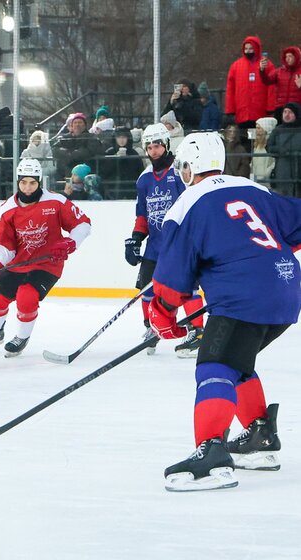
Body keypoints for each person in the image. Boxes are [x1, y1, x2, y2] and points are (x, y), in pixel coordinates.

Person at [148, 132, 301, 492]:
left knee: (214, 366)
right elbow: (290, 226)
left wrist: (162, 313)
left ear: (188, 169)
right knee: (236, 360)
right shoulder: (253, 189)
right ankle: (259, 436)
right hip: (287, 287)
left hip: (241, 296)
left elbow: (172, 278)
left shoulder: (187, 204)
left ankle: (211, 452)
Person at [0, 159, 91, 356]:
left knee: (27, 297)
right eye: (23, 182)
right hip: (18, 263)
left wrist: (70, 243)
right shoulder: (7, 210)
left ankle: (22, 336)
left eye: (32, 183)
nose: (27, 188)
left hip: (48, 264)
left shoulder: (56, 201)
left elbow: (83, 224)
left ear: (39, 182)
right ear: (17, 182)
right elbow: (4, 245)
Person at [124, 124, 205, 358]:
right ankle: (151, 329)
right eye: (149, 146)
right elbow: (143, 214)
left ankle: (196, 331)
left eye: (158, 145)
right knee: (146, 290)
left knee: (187, 288)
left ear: (167, 145)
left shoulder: (180, 171)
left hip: (180, 245)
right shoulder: (144, 179)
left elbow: (192, 205)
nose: (154, 150)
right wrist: (136, 239)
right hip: (155, 246)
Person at [225, 36, 275, 130]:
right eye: (246, 48)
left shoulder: (267, 65)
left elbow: (271, 88)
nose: (248, 51)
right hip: (242, 112)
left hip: (261, 112)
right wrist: (230, 111)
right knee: (244, 139)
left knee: (260, 139)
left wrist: (270, 108)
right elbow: (230, 90)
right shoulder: (236, 66)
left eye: (251, 48)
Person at [50, 112, 105, 182]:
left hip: (85, 174)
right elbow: (55, 149)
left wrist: (73, 155)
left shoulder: (91, 137)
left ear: (85, 125)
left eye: (80, 122)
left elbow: (90, 151)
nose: (77, 125)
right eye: (75, 123)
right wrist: (67, 153)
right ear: (72, 125)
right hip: (65, 174)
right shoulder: (65, 138)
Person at [267, 102, 301, 197]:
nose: (287, 115)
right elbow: (269, 147)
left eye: (290, 112)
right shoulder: (277, 130)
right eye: (285, 112)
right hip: (283, 171)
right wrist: (280, 150)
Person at [259, 46, 301, 117]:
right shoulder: (279, 71)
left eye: (290, 56)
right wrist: (262, 70)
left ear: (296, 57)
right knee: (280, 127)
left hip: (296, 108)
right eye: (286, 56)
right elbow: (267, 81)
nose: (287, 59)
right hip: (281, 108)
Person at [102, 127, 144, 197]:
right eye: (118, 137)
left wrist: (127, 158)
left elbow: (139, 171)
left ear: (128, 138)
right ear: (115, 138)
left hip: (131, 188)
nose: (121, 140)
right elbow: (104, 172)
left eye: (124, 137)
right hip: (112, 189)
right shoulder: (109, 152)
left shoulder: (134, 153)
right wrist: (116, 158)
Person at [251, 117, 277, 187]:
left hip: (267, 184)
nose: (256, 131)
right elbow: (253, 165)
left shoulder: (271, 146)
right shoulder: (256, 146)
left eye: (259, 128)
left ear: (266, 130)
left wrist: (265, 175)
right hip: (256, 183)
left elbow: (273, 164)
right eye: (256, 128)